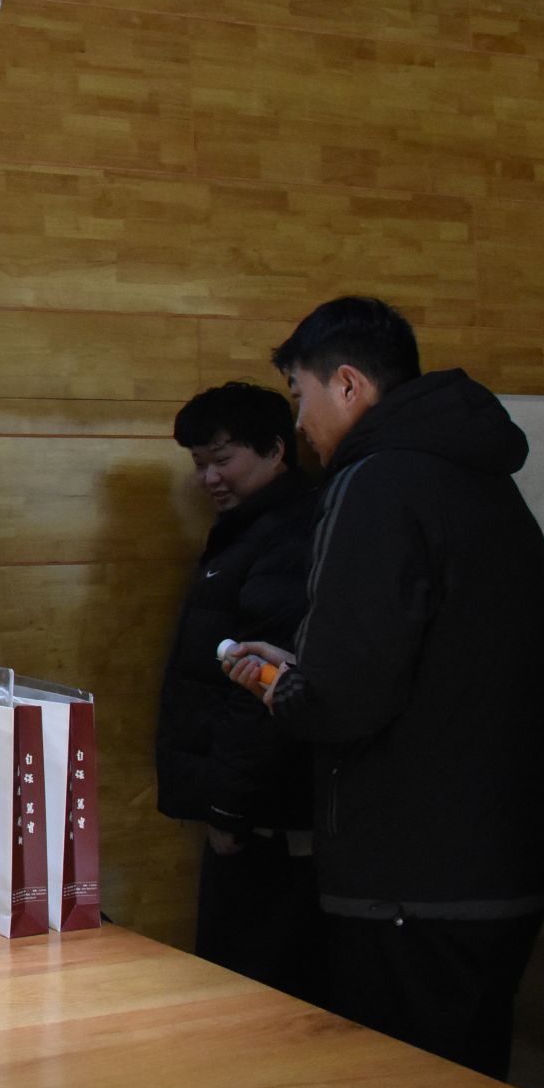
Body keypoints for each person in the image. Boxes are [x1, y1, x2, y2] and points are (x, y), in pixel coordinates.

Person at [221, 296, 544, 1079]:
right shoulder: (481, 474)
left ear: (348, 384)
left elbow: (345, 696)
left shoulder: (376, 481)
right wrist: (309, 668)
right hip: (505, 860)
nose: (299, 421)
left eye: (299, 394)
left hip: (414, 870)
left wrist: (285, 688)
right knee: (472, 1084)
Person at [154, 382, 322, 1001]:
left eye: (222, 460)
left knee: (258, 979)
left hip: (269, 816)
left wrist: (230, 809)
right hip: (250, 804)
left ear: (276, 449)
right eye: (199, 464)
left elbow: (260, 690)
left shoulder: (291, 535)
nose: (208, 479)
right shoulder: (246, 530)